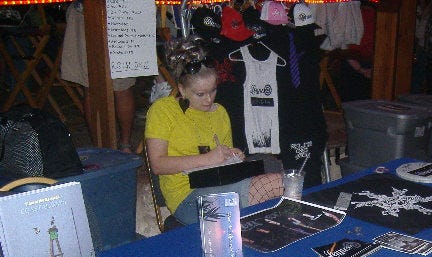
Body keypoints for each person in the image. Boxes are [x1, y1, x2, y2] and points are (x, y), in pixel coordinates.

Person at [145, 36, 283, 226]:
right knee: (273, 185)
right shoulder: (163, 110)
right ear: (182, 89)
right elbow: (158, 165)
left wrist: (233, 156)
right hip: (186, 199)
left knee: (276, 174)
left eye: (213, 90)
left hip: (218, 184)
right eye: (200, 94)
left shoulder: (220, 113)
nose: (208, 99)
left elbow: (223, 162)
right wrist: (208, 158)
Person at [60, 1, 136, 152]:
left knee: (122, 84)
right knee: (90, 83)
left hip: (122, 11)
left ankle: (125, 143)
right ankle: (99, 144)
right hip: (84, 10)